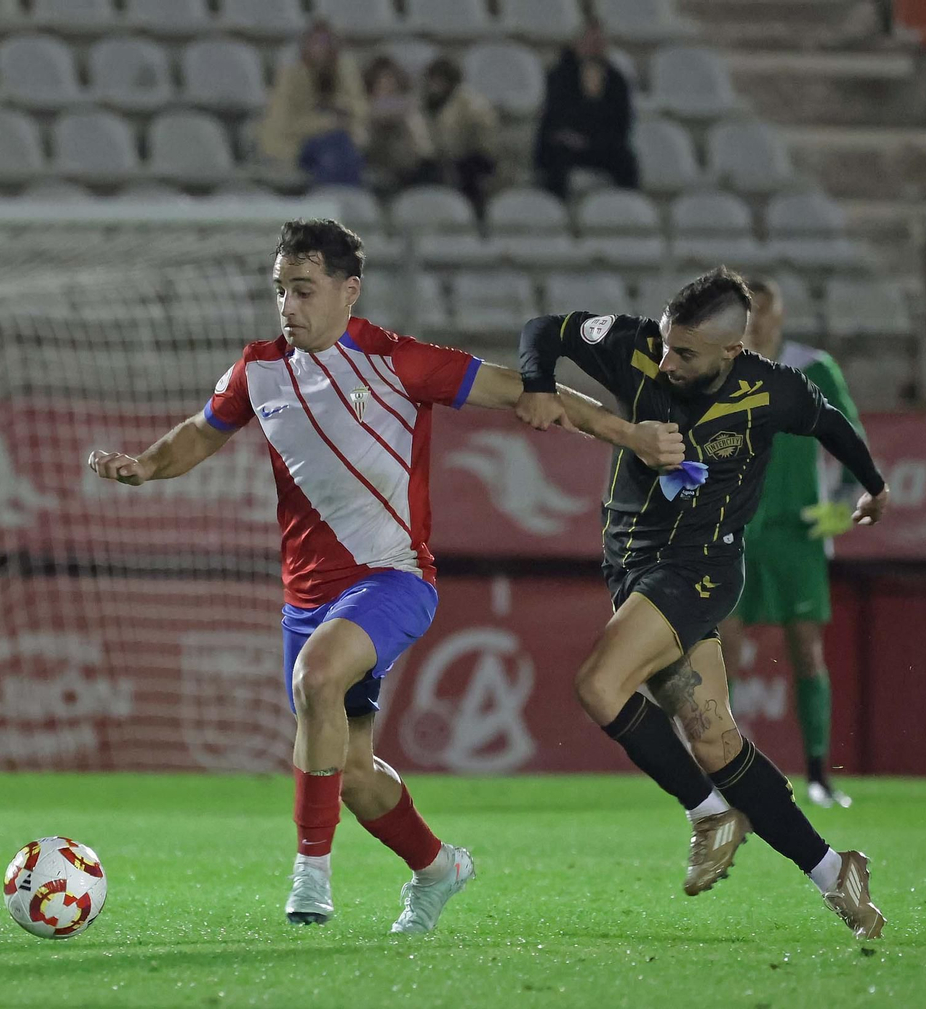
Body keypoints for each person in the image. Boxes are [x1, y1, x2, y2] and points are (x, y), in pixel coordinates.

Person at [89, 219, 681, 933]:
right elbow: (199, 431)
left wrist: (634, 435)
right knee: (354, 773)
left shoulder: (397, 360)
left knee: (316, 678)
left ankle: (311, 876)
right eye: (281, 290)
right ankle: (438, 869)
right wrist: (146, 466)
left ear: (349, 291)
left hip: (393, 578)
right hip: (306, 598)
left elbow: (529, 388)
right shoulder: (260, 369)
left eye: (304, 290)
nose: (289, 305)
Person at [514, 267, 890, 939]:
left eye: (683, 353)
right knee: (715, 738)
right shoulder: (634, 346)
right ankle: (837, 872)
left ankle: (708, 813)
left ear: (730, 351)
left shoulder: (770, 389)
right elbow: (547, 330)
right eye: (664, 342)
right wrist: (539, 384)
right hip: (632, 568)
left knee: (600, 685)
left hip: (700, 569)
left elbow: (829, 422)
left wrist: (873, 486)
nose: (665, 360)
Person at [720, 279, 865, 810]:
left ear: (780, 316)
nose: (758, 321)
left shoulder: (815, 368)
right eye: (748, 312)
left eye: (766, 311)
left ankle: (820, 775)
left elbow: (852, 441)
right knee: (724, 654)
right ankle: (727, 780)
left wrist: (846, 503)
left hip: (796, 534)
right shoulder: (717, 369)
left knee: (806, 650)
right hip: (733, 531)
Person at [532, 19, 639, 200]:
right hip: (565, 143)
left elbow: (622, 120)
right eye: (590, 43)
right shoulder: (559, 75)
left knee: (626, 161)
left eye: (598, 44)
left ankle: (627, 209)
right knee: (556, 160)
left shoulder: (616, 79)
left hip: (600, 144)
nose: (594, 49)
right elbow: (555, 116)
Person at [259, 21, 369, 187]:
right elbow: (284, 125)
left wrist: (339, 103)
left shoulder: (343, 72)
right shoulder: (290, 77)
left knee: (344, 148)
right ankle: (331, 199)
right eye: (316, 42)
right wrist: (327, 122)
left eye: (327, 43)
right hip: (296, 145)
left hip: (339, 140)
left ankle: (346, 200)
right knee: (333, 150)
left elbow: (360, 110)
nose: (321, 48)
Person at [418, 57, 499, 214]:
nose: (434, 87)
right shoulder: (425, 103)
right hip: (439, 160)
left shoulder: (471, 104)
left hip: (472, 161)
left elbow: (483, 143)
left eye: (439, 81)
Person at [362, 56, 435, 191]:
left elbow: (412, 105)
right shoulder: (365, 104)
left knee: (413, 121)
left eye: (391, 81)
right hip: (373, 154)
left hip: (406, 158)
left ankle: (426, 161)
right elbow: (374, 114)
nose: (388, 86)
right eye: (382, 82)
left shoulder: (408, 104)